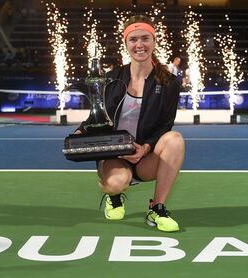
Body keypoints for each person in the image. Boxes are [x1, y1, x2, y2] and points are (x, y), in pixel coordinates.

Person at [75, 15, 185, 232]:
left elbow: (165, 124)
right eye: (133, 39)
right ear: (126, 44)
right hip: (114, 154)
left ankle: (157, 208)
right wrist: (80, 132)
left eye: (145, 38)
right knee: (115, 183)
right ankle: (114, 197)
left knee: (175, 140)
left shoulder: (169, 82)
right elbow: (98, 115)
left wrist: (145, 148)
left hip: (145, 157)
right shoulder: (111, 77)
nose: (139, 45)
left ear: (154, 42)